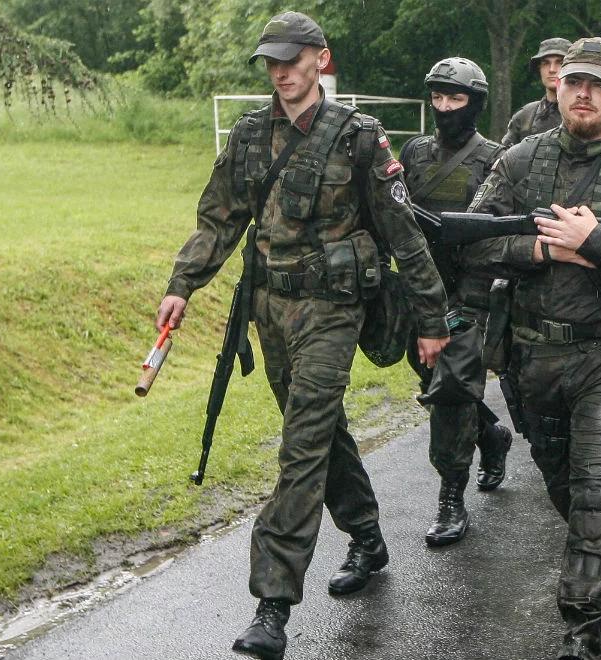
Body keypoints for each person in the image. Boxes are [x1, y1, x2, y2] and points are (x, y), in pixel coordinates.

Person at [154, 12, 449, 660]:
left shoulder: (360, 136)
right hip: (271, 308)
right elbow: (218, 220)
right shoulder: (252, 135)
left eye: (293, 58)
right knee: (319, 428)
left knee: (301, 442)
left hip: (333, 308)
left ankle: (272, 606)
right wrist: (182, 283)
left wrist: (433, 320)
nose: (281, 71)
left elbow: (404, 234)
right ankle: (368, 535)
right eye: (272, 61)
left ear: (321, 58)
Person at [463, 37, 601, 660]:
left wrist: (597, 243)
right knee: (564, 487)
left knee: (597, 485)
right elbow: (472, 242)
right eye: (572, 82)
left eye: (597, 84)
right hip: (533, 360)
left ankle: (583, 628)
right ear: (557, 88)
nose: (582, 92)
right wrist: (538, 250)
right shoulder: (518, 161)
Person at [399, 57, 512, 546]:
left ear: (475, 104)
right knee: (431, 374)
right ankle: (490, 434)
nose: (445, 108)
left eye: (455, 99)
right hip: (423, 289)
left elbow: (503, 227)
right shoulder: (414, 152)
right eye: (438, 98)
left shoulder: (496, 158)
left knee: (451, 388)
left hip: (472, 287)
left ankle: (451, 497)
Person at [501, 38, 571, 146]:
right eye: (545, 63)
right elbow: (504, 158)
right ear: (539, 68)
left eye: (560, 62)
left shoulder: (584, 113)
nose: (552, 69)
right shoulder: (525, 116)